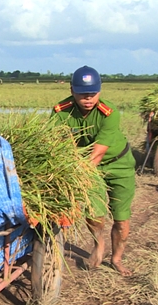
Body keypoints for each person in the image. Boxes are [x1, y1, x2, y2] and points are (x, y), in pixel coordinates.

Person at [51, 65, 136, 276]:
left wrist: (76, 175)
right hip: (88, 167)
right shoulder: (61, 112)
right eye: (82, 94)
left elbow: (96, 155)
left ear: (100, 91)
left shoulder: (109, 113)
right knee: (94, 212)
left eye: (93, 93)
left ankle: (116, 259)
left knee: (121, 218)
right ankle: (99, 244)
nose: (88, 98)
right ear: (72, 90)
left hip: (117, 164)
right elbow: (54, 144)